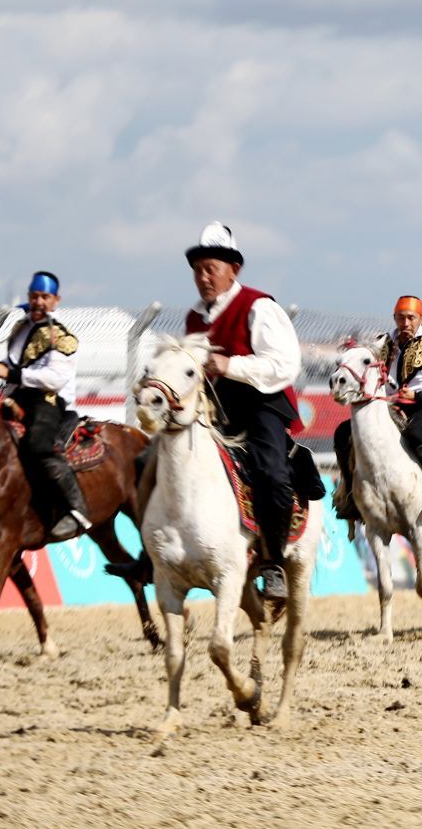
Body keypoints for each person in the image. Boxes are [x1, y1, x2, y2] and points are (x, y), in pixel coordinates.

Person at [109, 222, 303, 600]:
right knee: (147, 462)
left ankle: (274, 561)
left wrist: (232, 367)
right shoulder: (195, 317)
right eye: (197, 269)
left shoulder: (259, 306)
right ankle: (150, 555)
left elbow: (284, 364)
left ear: (234, 270)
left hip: (262, 405)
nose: (202, 277)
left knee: (271, 473)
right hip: (215, 410)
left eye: (210, 268)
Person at [332, 295, 422, 520]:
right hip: (387, 404)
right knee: (343, 432)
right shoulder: (381, 344)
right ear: (394, 318)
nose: (406, 323)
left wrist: (419, 396)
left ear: (421, 318)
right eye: (401, 318)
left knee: (419, 431)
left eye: (411, 318)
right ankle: (350, 492)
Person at [0, 271, 90, 540]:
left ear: (56, 301)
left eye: (45, 297)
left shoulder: (61, 337)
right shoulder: (22, 328)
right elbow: (15, 363)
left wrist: (10, 375)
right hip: (20, 397)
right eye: (34, 296)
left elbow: (54, 379)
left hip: (49, 400)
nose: (39, 301)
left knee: (37, 444)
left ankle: (76, 510)